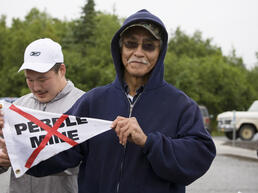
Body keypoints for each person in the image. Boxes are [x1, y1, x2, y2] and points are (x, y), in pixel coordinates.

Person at [29, 10, 215, 193]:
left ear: (160, 52)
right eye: (131, 44)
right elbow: (57, 147)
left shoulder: (181, 105)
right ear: (120, 49)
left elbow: (200, 155)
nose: (138, 52)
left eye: (149, 46)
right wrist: (16, 152)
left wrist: (148, 142)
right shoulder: (93, 102)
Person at [0, 38, 84, 193]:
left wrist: (27, 157)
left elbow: (90, 161)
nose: (36, 87)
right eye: (29, 79)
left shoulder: (84, 104)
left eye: (43, 79)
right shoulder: (19, 105)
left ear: (62, 70)